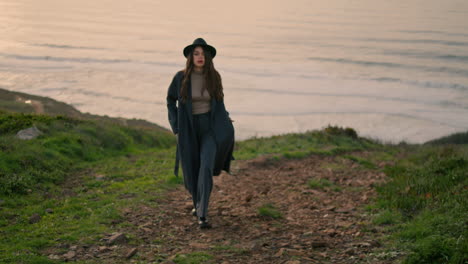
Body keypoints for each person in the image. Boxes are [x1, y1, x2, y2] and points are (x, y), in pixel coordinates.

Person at [166, 38, 235, 229]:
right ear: (190, 56)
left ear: (208, 57)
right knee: (191, 168)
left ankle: (202, 213)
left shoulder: (214, 77)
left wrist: (226, 120)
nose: (200, 57)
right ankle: (197, 202)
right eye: (196, 53)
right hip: (188, 127)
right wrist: (175, 125)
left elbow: (219, 103)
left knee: (205, 166)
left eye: (203, 54)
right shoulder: (180, 78)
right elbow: (170, 100)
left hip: (210, 128)